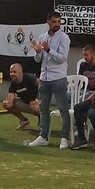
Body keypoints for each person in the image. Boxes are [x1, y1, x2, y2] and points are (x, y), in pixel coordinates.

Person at [28, 10, 71, 148]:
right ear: (48, 22)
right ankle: (43, 136)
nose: (57, 24)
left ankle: (64, 137)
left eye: (59, 22)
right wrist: (38, 52)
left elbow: (61, 58)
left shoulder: (64, 38)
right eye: (54, 22)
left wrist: (48, 50)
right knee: (43, 108)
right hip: (44, 78)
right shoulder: (42, 37)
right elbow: (38, 60)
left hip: (58, 78)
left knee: (63, 108)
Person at [0, 62, 39, 131]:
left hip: (38, 103)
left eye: (15, 72)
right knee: (5, 104)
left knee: (34, 106)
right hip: (25, 103)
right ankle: (24, 121)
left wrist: (38, 99)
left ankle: (43, 121)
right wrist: (7, 103)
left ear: (21, 72)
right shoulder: (13, 84)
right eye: (11, 72)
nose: (12, 74)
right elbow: (10, 100)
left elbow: (42, 85)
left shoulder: (29, 77)